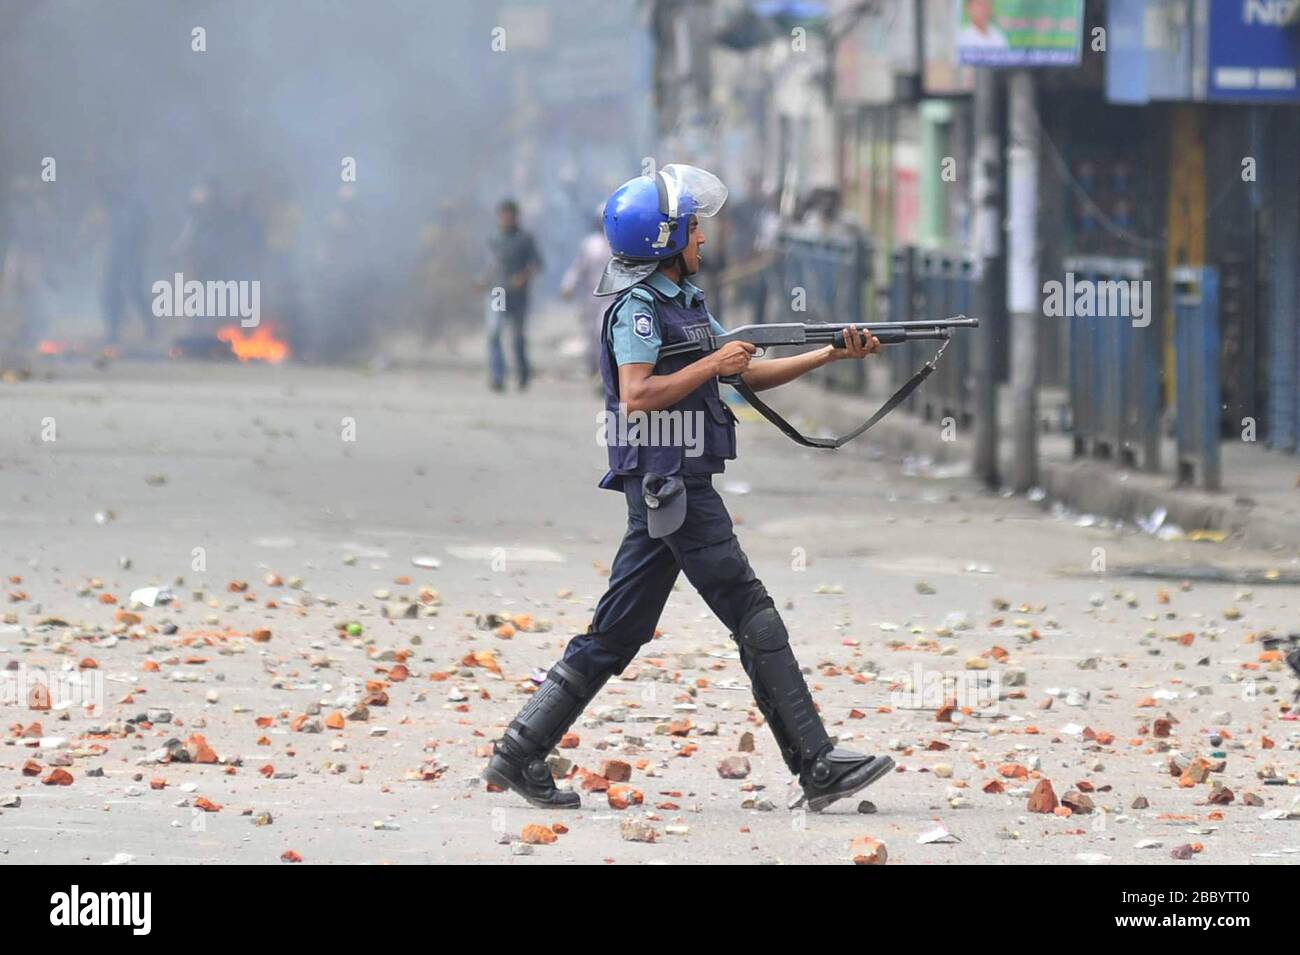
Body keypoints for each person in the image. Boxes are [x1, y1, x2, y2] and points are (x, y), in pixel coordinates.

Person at [484, 164, 894, 813]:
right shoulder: (638, 310)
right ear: (665, 240)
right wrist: (714, 362)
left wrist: (831, 354)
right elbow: (637, 393)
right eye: (695, 228)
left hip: (672, 483)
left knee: (618, 632)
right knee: (749, 607)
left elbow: (743, 374)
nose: (705, 238)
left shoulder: (684, 302)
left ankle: (520, 749)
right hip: (668, 482)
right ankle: (814, 760)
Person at [482, 199, 542, 392]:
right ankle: (497, 375)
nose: (506, 219)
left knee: (517, 337)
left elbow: (536, 264)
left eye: (509, 215)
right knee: (495, 332)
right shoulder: (495, 239)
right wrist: (483, 280)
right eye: (503, 215)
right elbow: (491, 264)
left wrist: (522, 277)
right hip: (498, 291)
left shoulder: (525, 238)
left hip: (518, 294)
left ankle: (522, 373)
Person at [559, 205, 610, 378]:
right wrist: (569, 285)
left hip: (613, 297)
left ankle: (605, 373)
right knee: (590, 336)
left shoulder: (622, 243)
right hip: (591, 297)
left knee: (602, 331)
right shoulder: (590, 244)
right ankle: (594, 368)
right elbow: (578, 267)